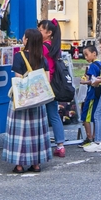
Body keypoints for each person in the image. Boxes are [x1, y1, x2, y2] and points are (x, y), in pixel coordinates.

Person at [3, 28, 53, 173]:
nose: (23, 39)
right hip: (38, 101)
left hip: (22, 101)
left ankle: (19, 165)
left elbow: (19, 79)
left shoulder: (19, 56)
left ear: (27, 40)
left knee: (20, 134)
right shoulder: (42, 58)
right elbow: (47, 80)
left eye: (24, 37)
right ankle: (36, 164)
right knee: (36, 133)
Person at [38, 18, 66, 157]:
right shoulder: (55, 47)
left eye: (40, 30)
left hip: (44, 84)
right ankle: (60, 145)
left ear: (49, 33)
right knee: (54, 115)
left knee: (41, 115)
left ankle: (41, 144)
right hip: (54, 84)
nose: (38, 32)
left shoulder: (43, 47)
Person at [78, 42, 101, 145]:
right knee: (96, 116)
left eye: (87, 54)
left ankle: (89, 138)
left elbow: (92, 81)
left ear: (94, 53)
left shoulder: (92, 66)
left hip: (92, 94)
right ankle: (94, 136)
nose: (85, 57)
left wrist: (84, 81)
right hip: (99, 93)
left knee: (86, 117)